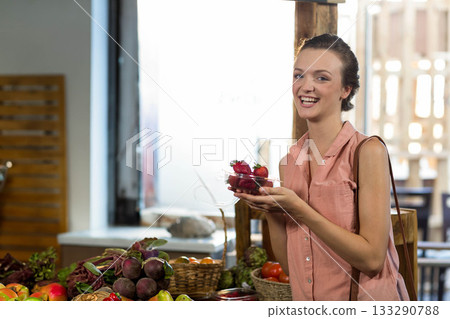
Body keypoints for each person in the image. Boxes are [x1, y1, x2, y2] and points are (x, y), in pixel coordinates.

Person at [233, 34, 409, 301]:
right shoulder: (290, 162)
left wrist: (299, 209)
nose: (305, 86)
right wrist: (270, 210)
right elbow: (292, 264)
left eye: (322, 78)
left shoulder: (368, 151)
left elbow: (373, 260)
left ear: (345, 89)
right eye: (298, 75)